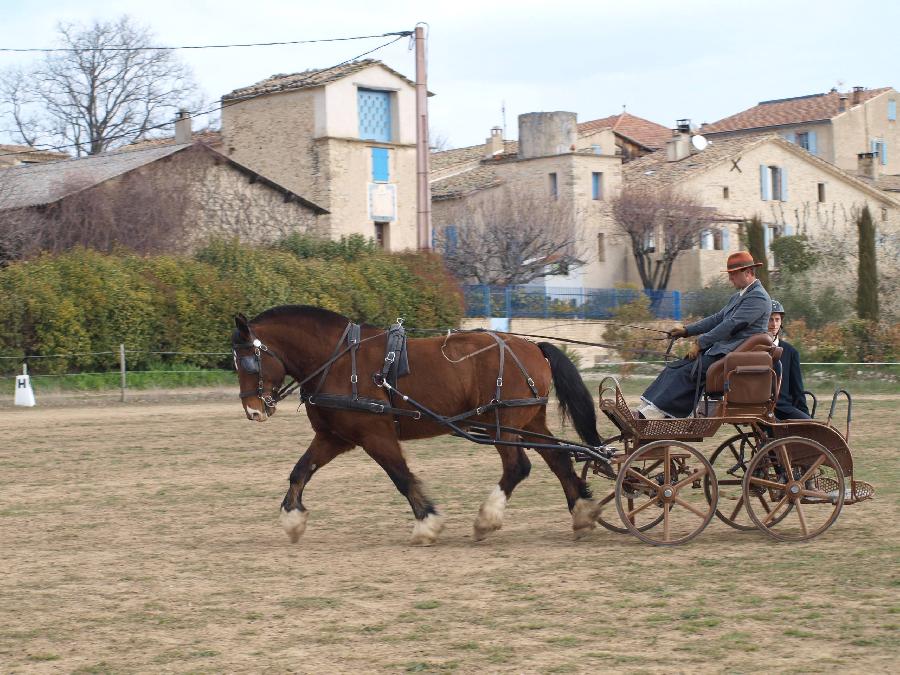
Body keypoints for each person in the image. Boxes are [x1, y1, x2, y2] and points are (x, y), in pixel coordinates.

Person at [638, 251, 771, 418]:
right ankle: (647, 406)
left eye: (733, 275)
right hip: (723, 351)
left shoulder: (758, 297)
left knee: (688, 372)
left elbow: (730, 326)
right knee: (676, 367)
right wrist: (687, 331)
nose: (730, 279)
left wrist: (700, 342)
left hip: (734, 355)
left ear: (748, 272)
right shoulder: (739, 296)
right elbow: (717, 319)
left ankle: (656, 414)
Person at [768, 300, 811, 420]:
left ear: (781, 322)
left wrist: (806, 417)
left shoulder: (791, 352)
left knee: (811, 426)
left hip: (784, 409)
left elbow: (798, 390)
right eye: (770, 319)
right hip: (761, 409)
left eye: (777, 319)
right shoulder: (754, 350)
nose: (774, 324)